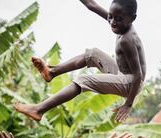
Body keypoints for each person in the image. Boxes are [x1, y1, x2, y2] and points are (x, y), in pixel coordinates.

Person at [14, 0, 146, 122]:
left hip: (131, 83)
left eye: (117, 19)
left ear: (132, 18)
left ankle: (38, 110)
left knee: (84, 80)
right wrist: (113, 17)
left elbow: (138, 75)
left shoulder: (127, 40)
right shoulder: (119, 21)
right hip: (124, 74)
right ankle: (51, 72)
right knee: (93, 54)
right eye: (110, 16)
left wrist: (128, 104)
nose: (112, 22)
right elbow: (91, 5)